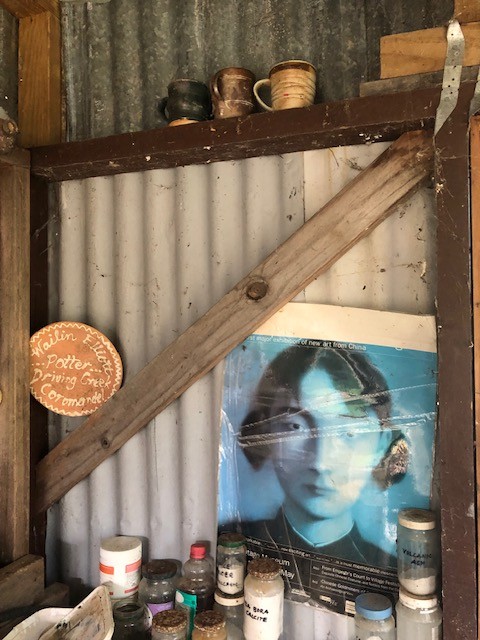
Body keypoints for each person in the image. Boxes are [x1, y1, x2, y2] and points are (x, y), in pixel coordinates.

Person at [236, 344, 407, 568]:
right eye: (294, 426)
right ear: (265, 432)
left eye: (349, 432)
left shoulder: (393, 573)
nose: (320, 462)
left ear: (383, 442)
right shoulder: (232, 548)